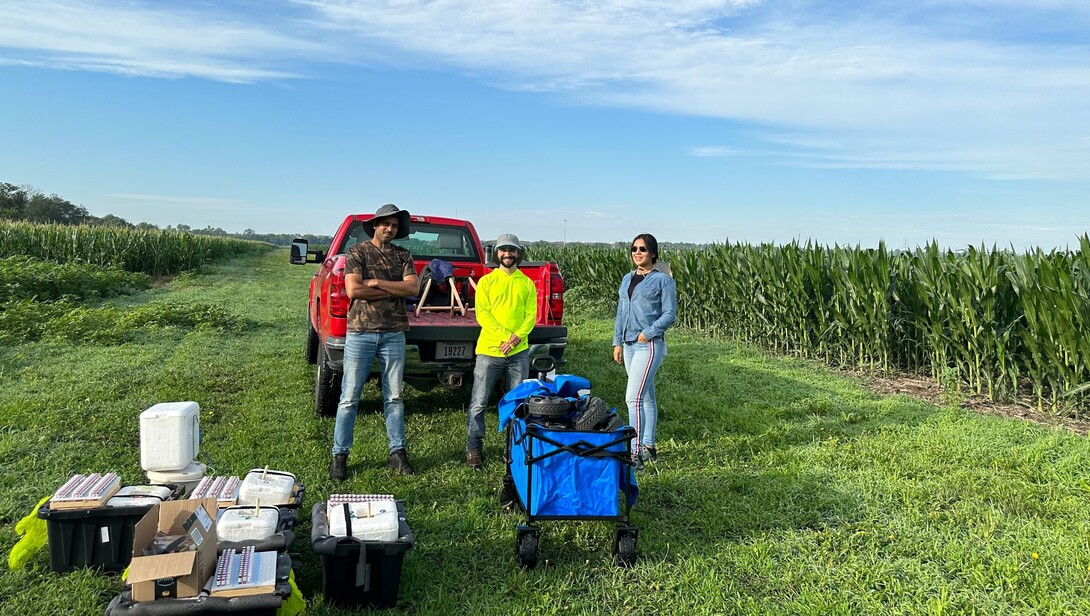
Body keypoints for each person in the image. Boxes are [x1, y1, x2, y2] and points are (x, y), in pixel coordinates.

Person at [330, 204, 420, 480]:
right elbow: (353, 289)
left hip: (394, 333)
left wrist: (376, 283)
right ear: (375, 226)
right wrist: (393, 290)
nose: (389, 229)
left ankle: (397, 453)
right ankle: (340, 456)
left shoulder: (404, 255)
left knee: (394, 397)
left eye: (394, 225)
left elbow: (413, 288)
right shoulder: (358, 252)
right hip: (361, 331)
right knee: (349, 398)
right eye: (385, 224)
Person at [465, 233, 538, 469]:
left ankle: (512, 449)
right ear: (497, 253)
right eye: (503, 250)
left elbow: (530, 316)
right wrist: (507, 337)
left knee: (518, 402)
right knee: (479, 402)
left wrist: (515, 339)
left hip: (518, 352)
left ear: (518, 253)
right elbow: (483, 315)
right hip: (489, 350)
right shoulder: (487, 282)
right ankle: (474, 448)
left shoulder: (526, 283)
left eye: (512, 250)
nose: (508, 254)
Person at [612, 233, 677, 470]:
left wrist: (648, 332)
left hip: (648, 345)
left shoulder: (663, 281)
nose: (637, 253)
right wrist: (616, 342)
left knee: (633, 398)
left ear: (653, 253)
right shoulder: (627, 278)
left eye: (643, 249)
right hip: (628, 345)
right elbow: (621, 311)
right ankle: (649, 446)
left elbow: (670, 314)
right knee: (646, 396)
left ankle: (635, 452)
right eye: (634, 249)